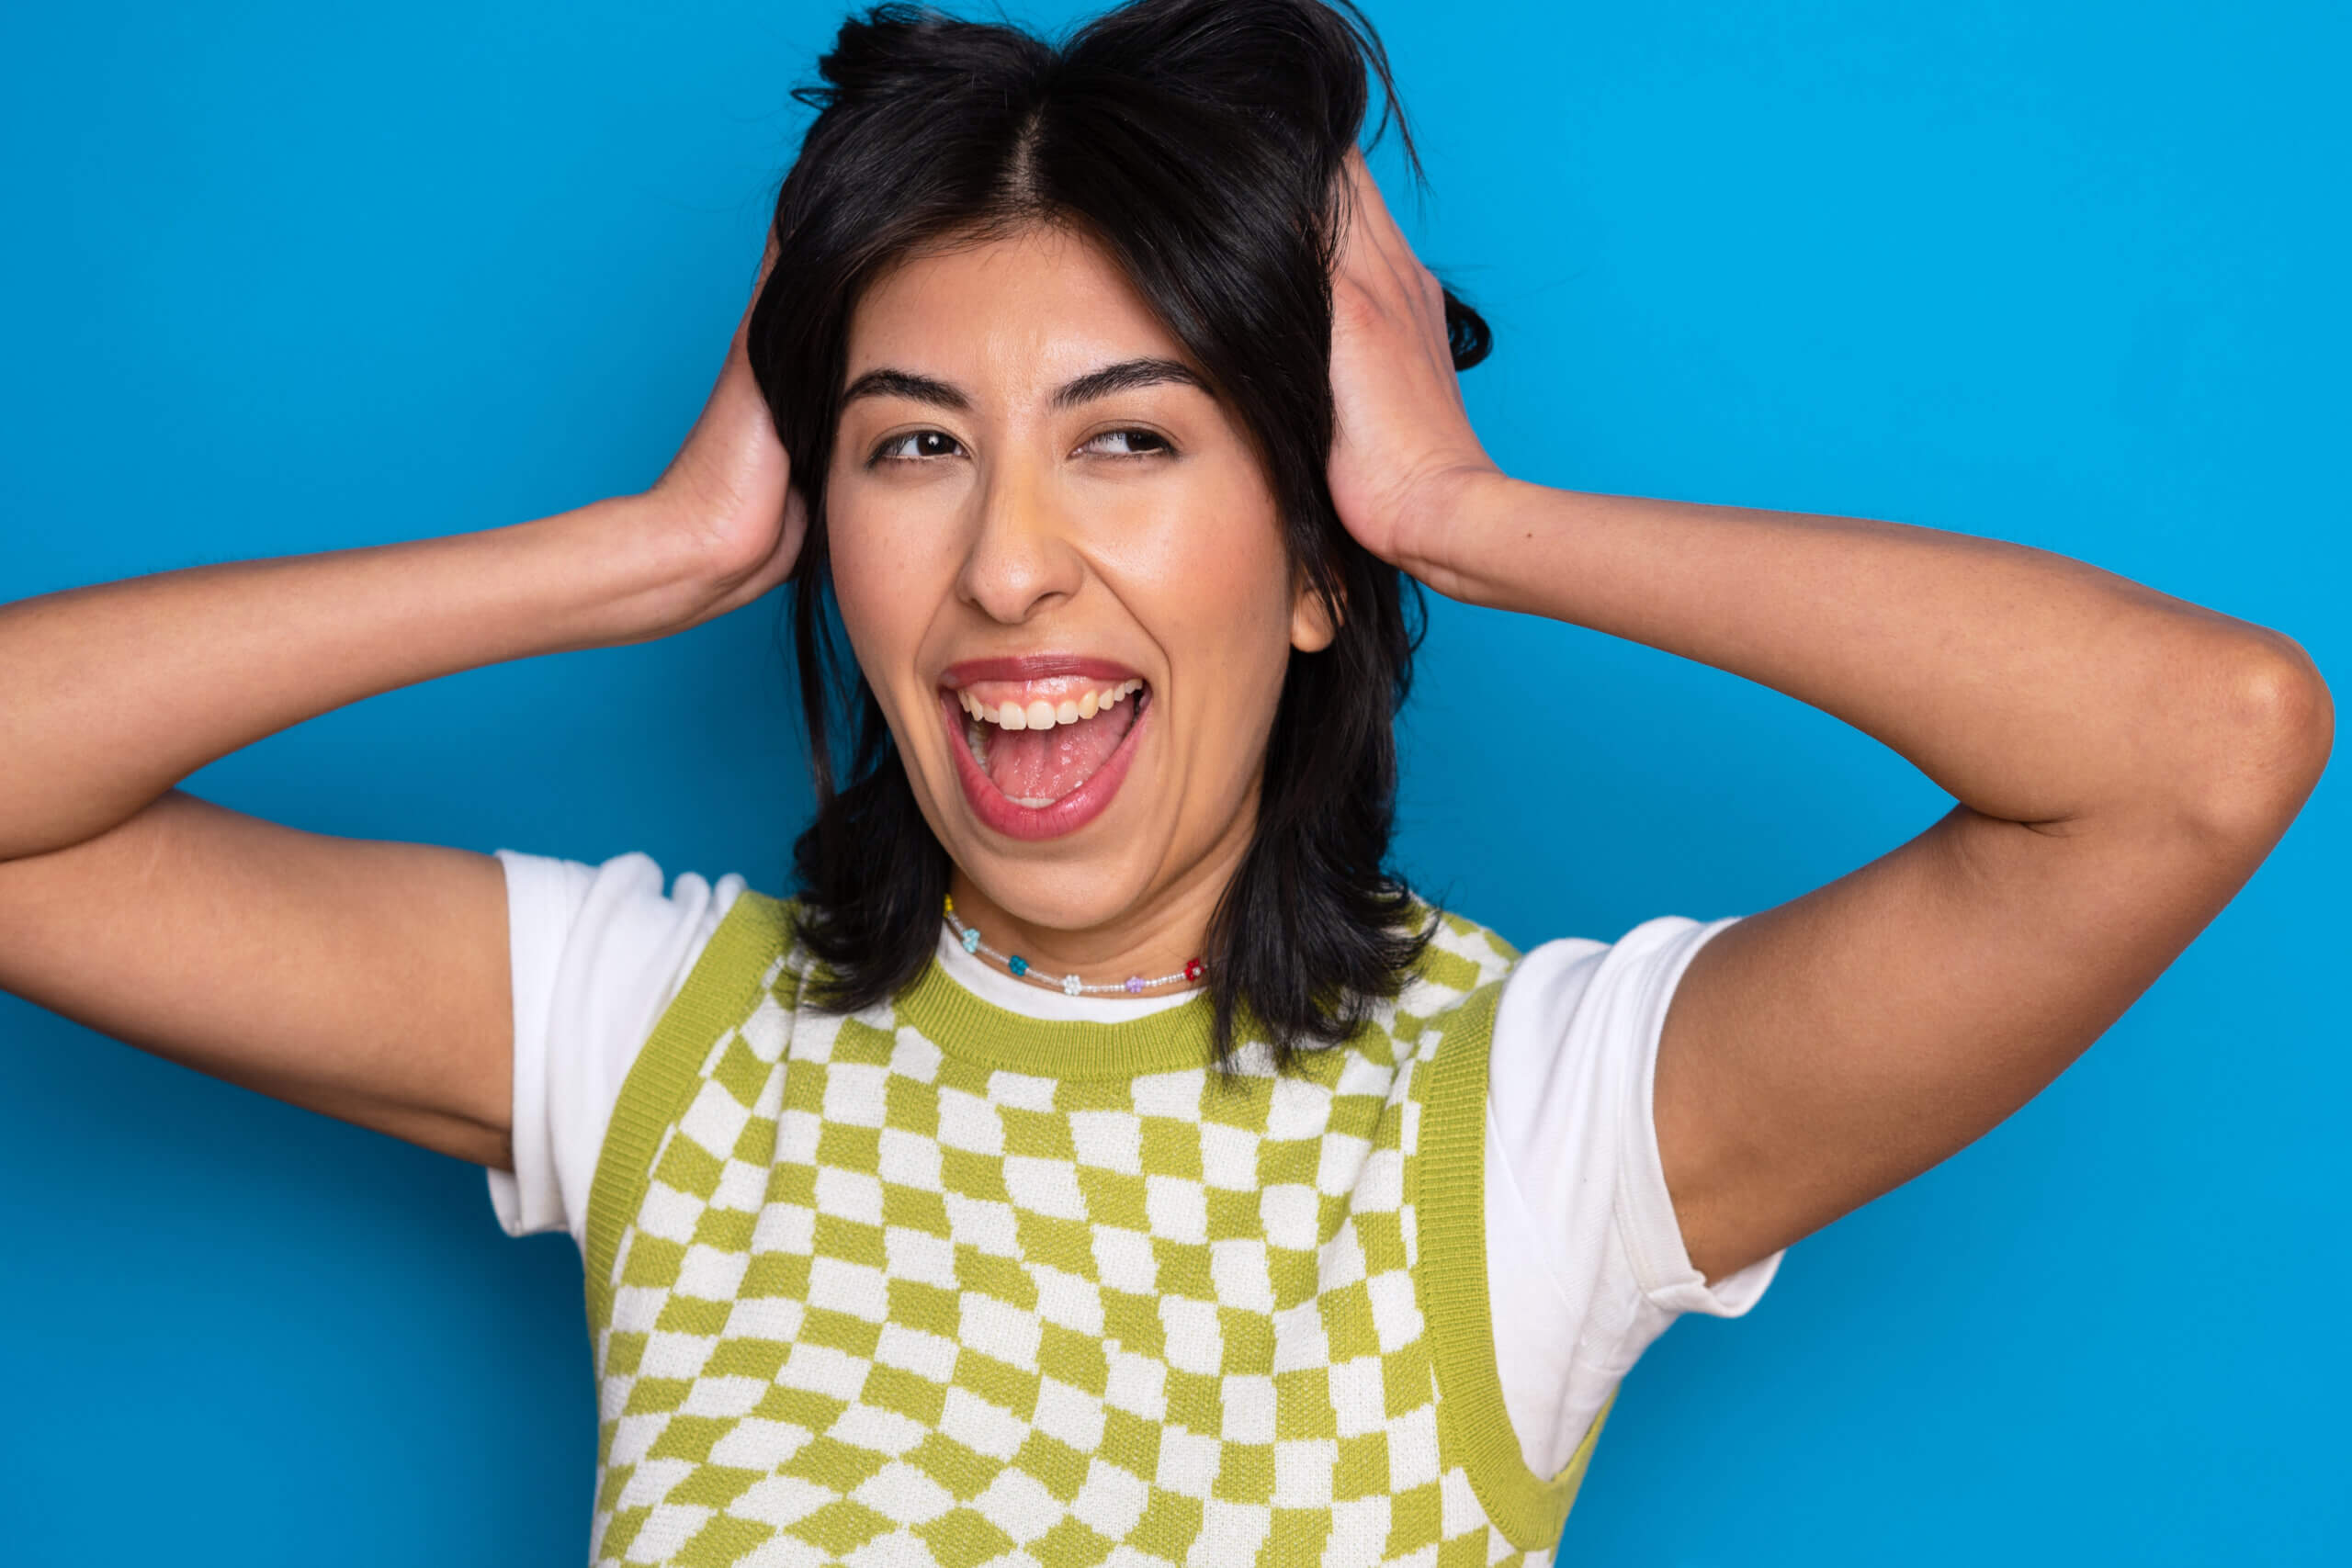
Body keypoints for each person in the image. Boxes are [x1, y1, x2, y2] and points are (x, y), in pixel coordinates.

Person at [0, 0, 2329, 1563]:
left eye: (1127, 437)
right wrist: (649, 548)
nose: (1008, 562)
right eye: (915, 446)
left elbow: (2192, 751)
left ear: (1305, 559)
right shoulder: (653, 1025)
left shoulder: (1535, 1122)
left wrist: (1451, 510)